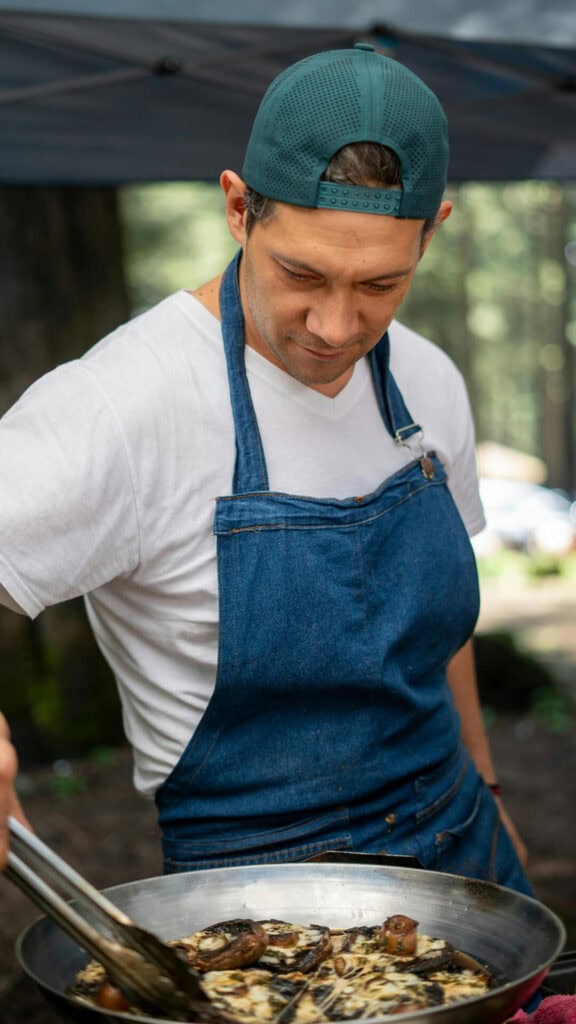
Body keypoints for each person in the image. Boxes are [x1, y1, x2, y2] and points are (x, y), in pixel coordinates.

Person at [0, 44, 531, 894]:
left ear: (435, 231)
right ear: (240, 210)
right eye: (301, 274)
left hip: (464, 844)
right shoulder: (120, 404)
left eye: (382, 285)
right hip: (254, 900)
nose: (334, 324)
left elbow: (439, 636)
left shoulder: (428, 378)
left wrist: (488, 780)